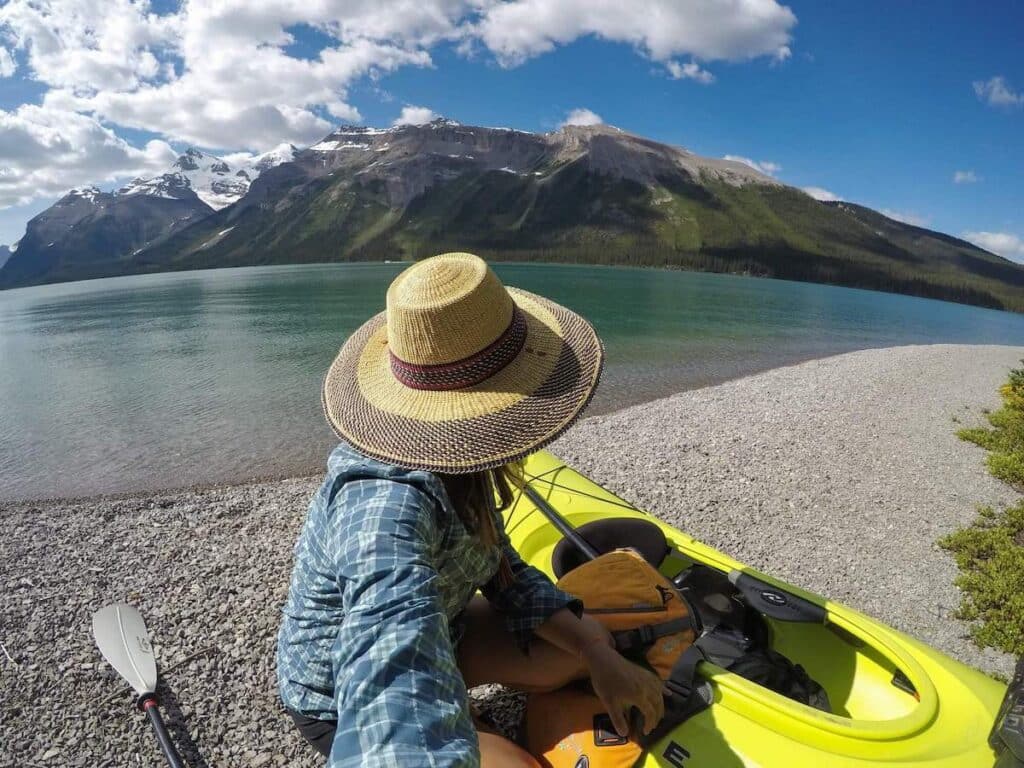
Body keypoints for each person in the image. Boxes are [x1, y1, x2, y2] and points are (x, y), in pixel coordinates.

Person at [276, 252, 664, 766]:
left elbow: (499, 568)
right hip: (340, 694)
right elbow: (388, 647)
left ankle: (480, 710)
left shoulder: (460, 464)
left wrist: (596, 653)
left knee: (593, 648)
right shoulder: (383, 507)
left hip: (448, 625)